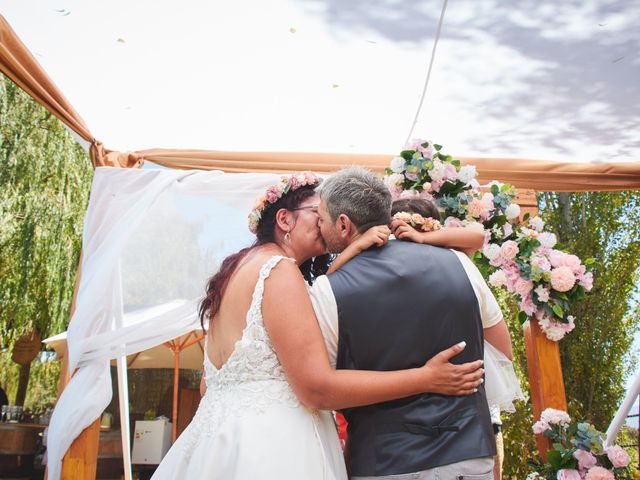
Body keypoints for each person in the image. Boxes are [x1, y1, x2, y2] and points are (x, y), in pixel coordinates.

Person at [151, 172, 485, 480]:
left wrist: (350, 250)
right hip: (274, 447)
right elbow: (317, 389)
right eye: (316, 212)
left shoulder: (236, 274)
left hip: (217, 444)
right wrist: (426, 378)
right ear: (285, 219)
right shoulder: (278, 272)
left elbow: (208, 386)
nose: (324, 222)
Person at [312, 166, 505, 479]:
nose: (319, 226)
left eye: (322, 218)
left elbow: (326, 388)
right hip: (468, 451)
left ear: (344, 224)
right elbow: (502, 352)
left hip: (385, 460)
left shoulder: (328, 290)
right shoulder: (459, 262)